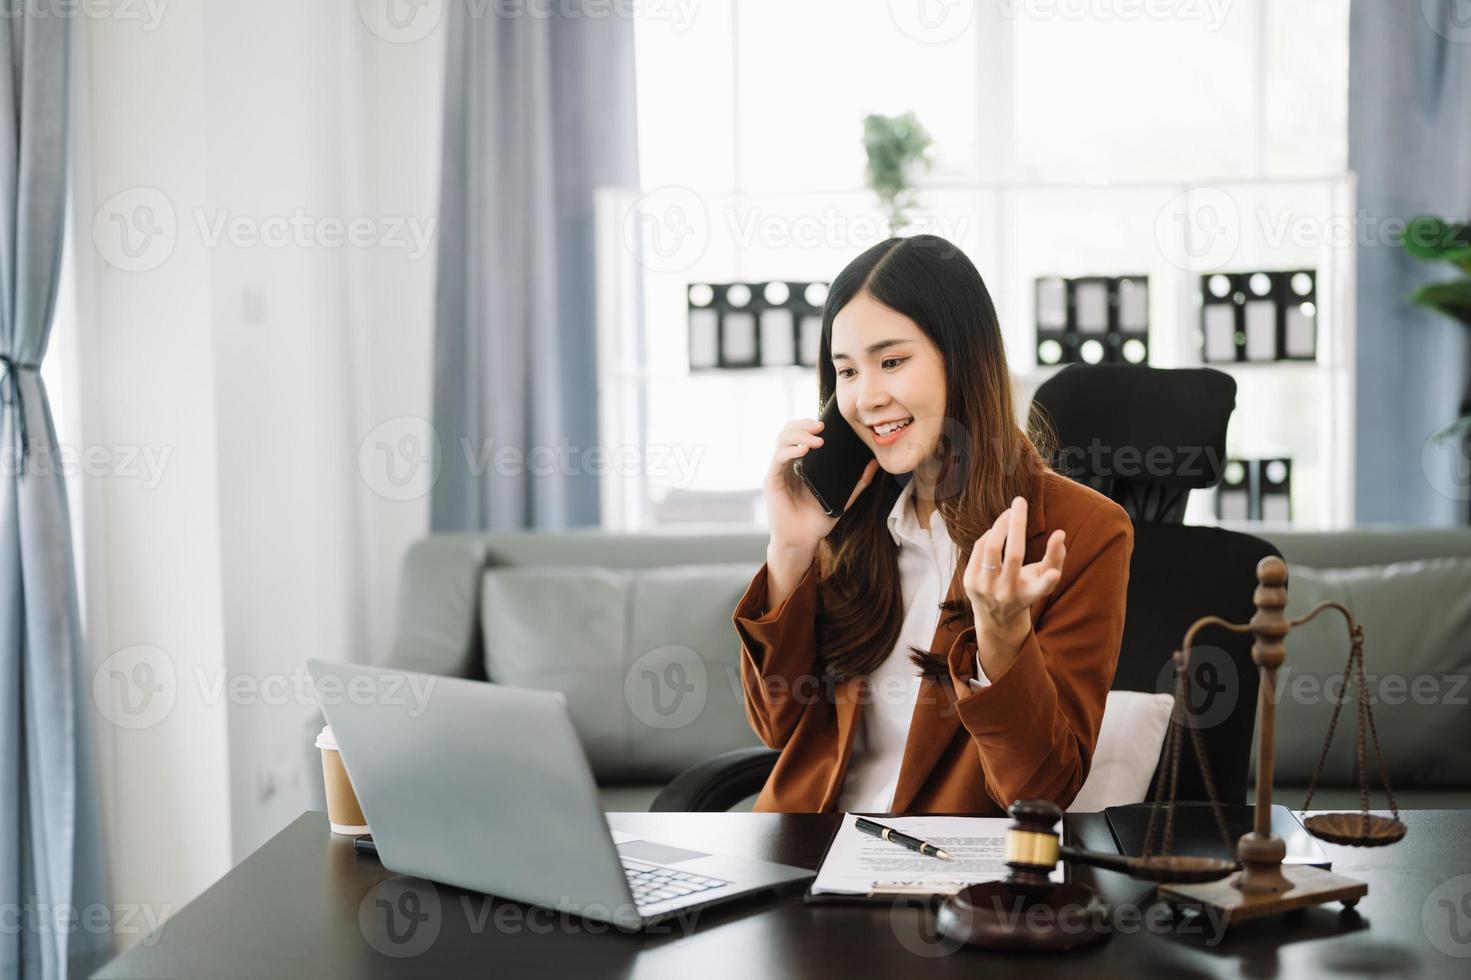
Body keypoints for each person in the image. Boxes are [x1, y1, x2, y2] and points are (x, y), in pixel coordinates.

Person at [732, 234, 1134, 814]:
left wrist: (1002, 635)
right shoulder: (846, 515)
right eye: (846, 372)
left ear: (962, 356)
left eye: (892, 362)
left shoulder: (1083, 531)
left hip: (947, 875)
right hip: (806, 852)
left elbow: (1041, 791)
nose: (865, 397)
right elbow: (777, 727)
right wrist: (791, 548)